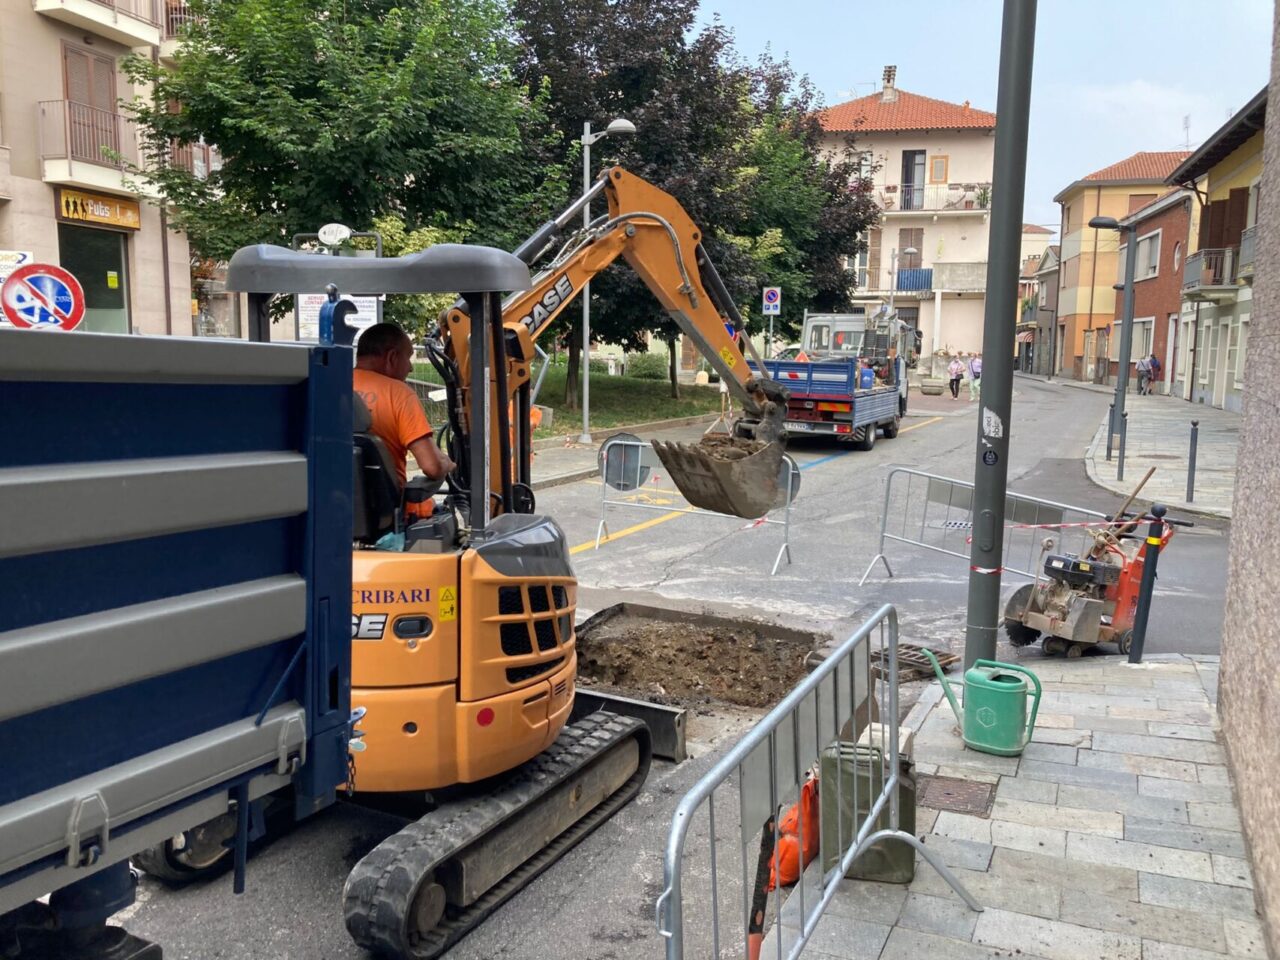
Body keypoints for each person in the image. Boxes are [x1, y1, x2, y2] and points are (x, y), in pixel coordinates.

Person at [353, 322, 454, 488]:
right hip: (384, 509)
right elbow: (432, 467)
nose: (411, 368)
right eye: (408, 357)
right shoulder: (398, 394)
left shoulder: (333, 387)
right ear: (392, 357)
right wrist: (448, 464)